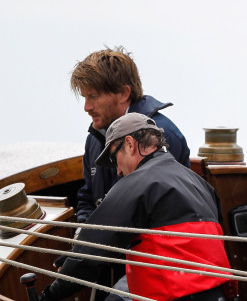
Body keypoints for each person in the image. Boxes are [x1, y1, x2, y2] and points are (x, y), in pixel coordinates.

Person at [28, 113, 235, 301]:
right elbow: (190, 255)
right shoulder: (200, 184)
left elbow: (87, 258)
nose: (116, 170)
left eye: (115, 158)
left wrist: (46, 300)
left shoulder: (137, 183)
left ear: (129, 144)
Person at [70, 46, 191, 224]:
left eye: (93, 96)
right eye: (85, 97)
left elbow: (161, 212)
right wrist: (83, 234)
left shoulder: (161, 137)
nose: (86, 107)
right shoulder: (94, 139)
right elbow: (87, 199)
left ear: (124, 93)